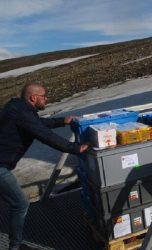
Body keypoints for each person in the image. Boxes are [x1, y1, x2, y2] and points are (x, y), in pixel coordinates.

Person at [0, 83, 89, 250]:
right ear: (33, 98)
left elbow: (36, 122)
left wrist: (62, 121)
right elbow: (45, 135)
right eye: (43, 96)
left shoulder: (17, 108)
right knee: (20, 204)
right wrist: (75, 148)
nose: (46, 99)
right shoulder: (22, 113)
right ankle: (15, 247)